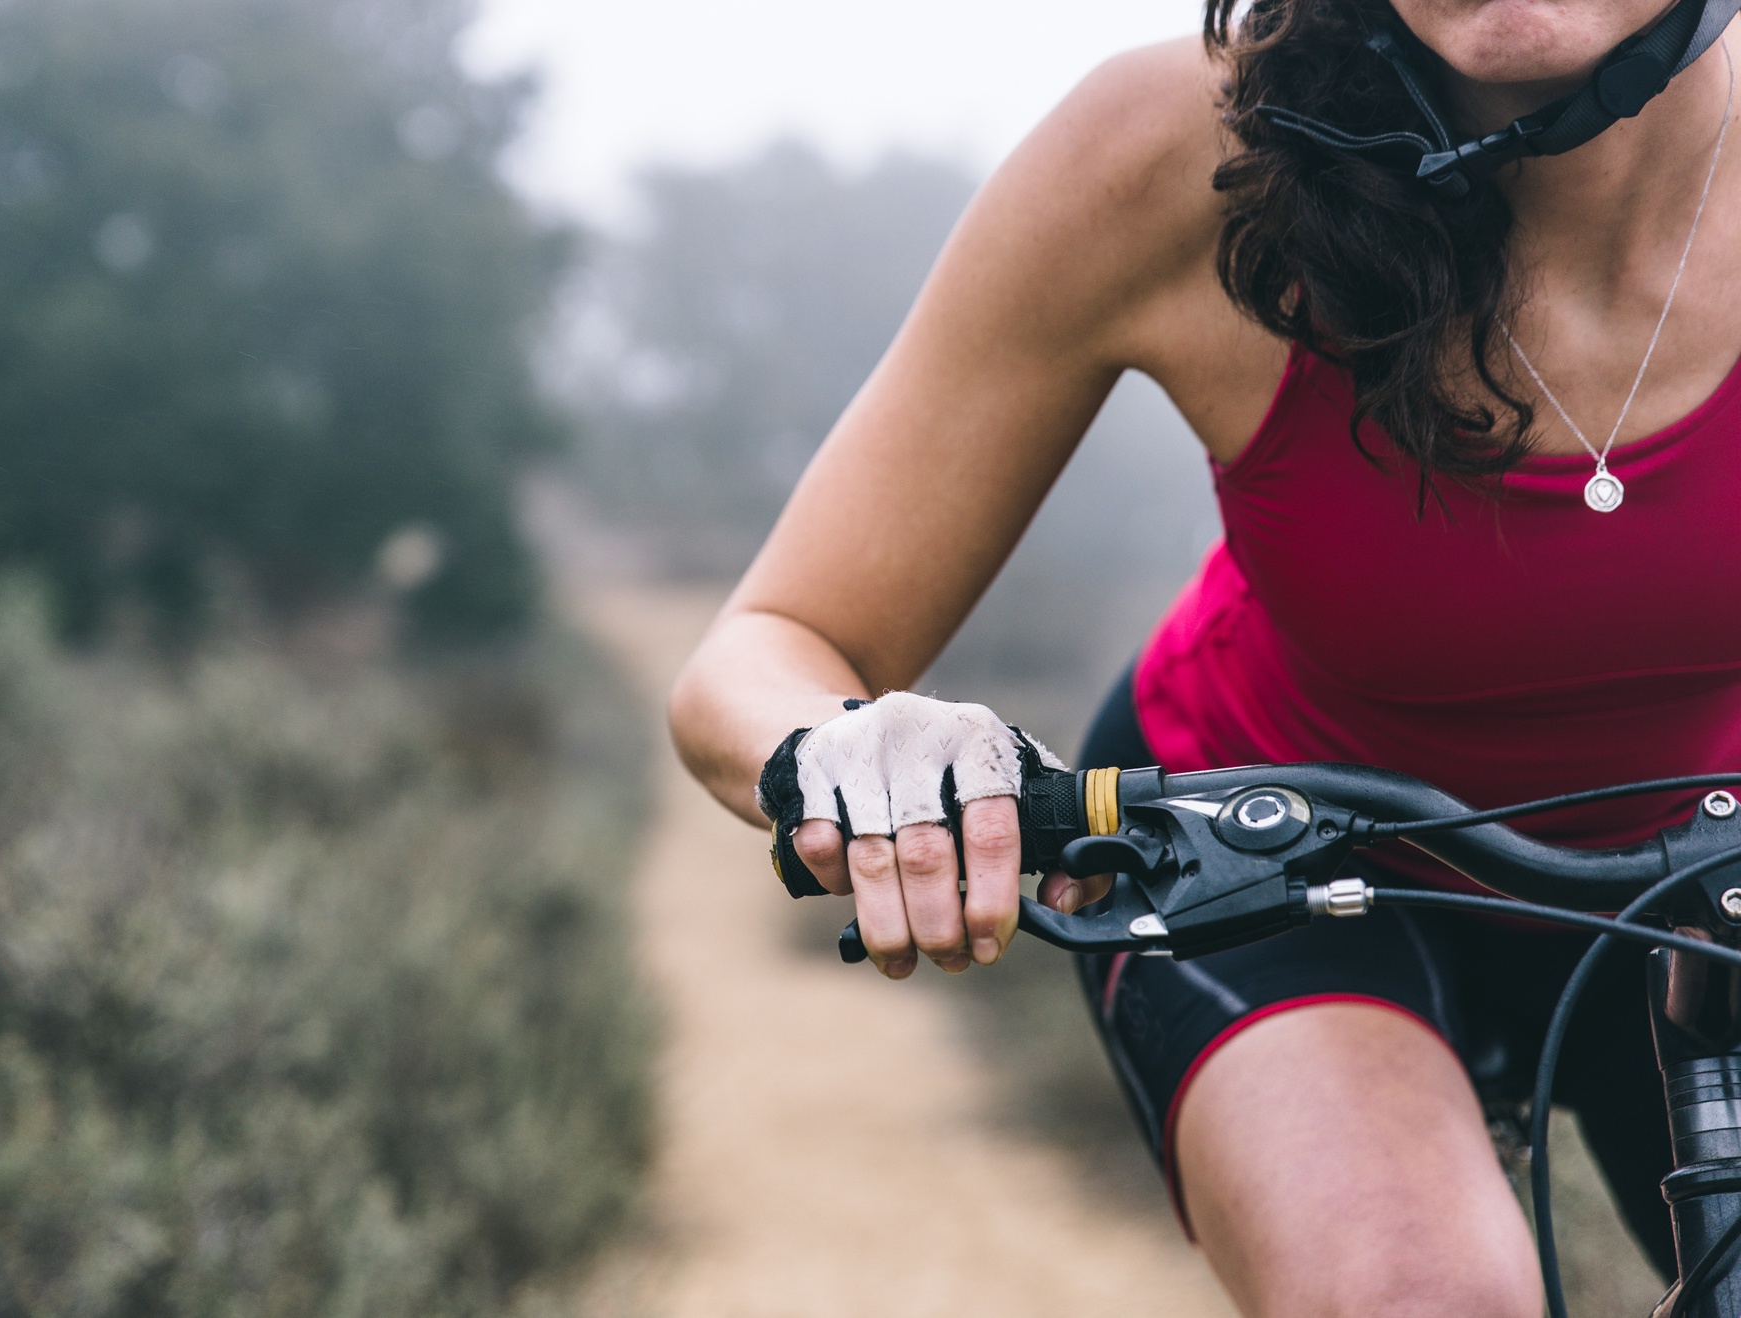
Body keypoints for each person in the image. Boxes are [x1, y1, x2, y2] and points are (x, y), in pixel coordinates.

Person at [667, 1, 1741, 1314]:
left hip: (1706, 868)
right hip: (1266, 854)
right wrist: (865, 743)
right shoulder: (1179, 154)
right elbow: (767, 647)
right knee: (1421, 1293)